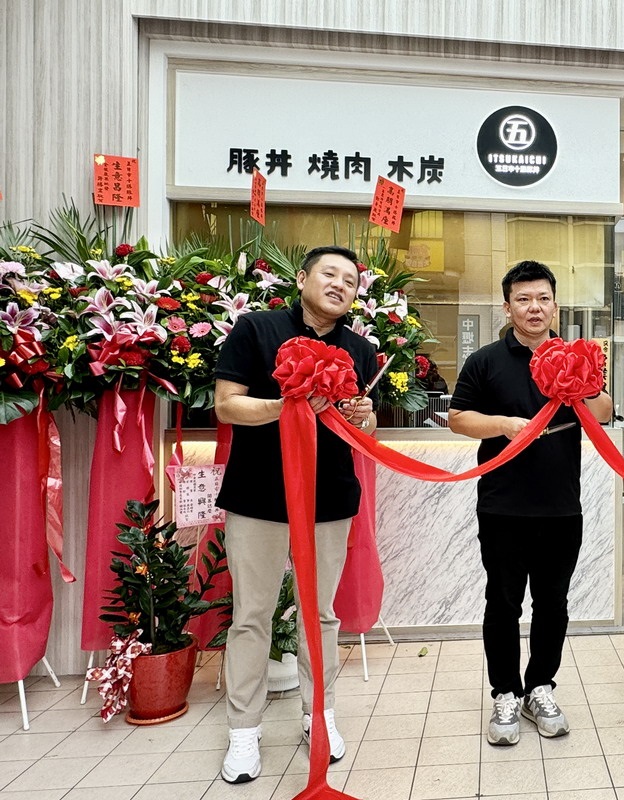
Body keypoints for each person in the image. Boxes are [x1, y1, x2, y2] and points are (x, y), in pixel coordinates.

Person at [214, 246, 379, 783]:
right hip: (258, 497)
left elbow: (365, 428)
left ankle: (319, 715)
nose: (339, 285)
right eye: (329, 274)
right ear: (303, 278)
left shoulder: (360, 349)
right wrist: (290, 406)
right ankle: (244, 731)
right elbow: (226, 405)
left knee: (321, 614)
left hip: (329, 499)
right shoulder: (256, 330)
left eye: (350, 281)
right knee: (252, 615)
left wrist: (363, 413)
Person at [448, 261, 613, 746]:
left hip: (562, 505)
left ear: (555, 304)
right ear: (508, 306)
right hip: (501, 505)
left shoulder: (576, 358)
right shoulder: (485, 361)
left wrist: (582, 389)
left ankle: (540, 686)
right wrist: (503, 425)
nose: (534, 307)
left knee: (553, 604)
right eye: (523, 299)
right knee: (502, 604)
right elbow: (458, 419)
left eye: (542, 298)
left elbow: (602, 412)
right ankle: (505, 692)